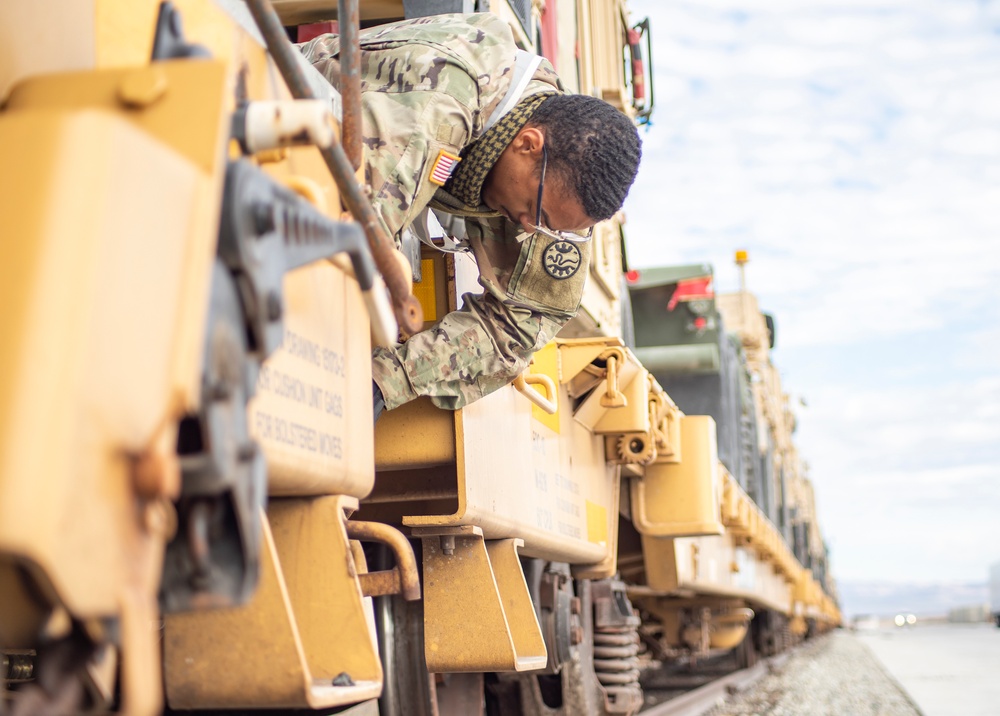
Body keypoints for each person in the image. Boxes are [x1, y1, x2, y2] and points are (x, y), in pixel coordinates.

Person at [299, 12, 641, 419]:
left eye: (551, 227)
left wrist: (383, 381)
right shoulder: (444, 99)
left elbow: (528, 319)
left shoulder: (558, 168)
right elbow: (350, 235)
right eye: (538, 213)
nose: (531, 228)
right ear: (529, 145)